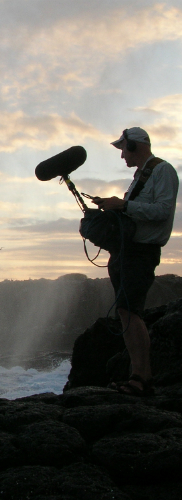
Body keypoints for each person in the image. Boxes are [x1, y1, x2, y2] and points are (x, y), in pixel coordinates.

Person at [92, 127, 179, 396]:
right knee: (125, 311)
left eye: (123, 149)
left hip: (142, 252)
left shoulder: (163, 171)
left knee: (131, 311)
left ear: (134, 146)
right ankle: (138, 376)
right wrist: (112, 206)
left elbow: (162, 211)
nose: (122, 156)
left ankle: (142, 378)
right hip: (127, 252)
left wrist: (123, 205)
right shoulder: (140, 176)